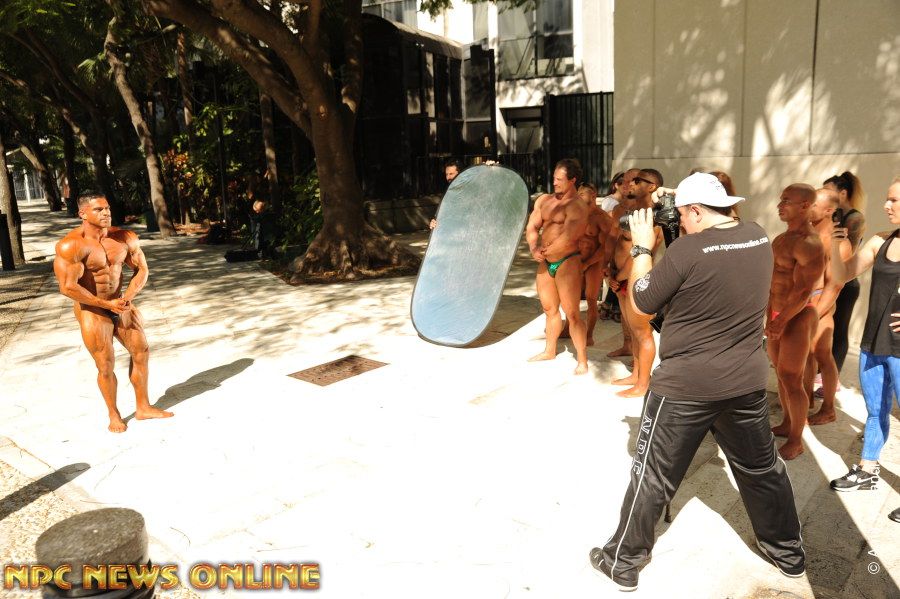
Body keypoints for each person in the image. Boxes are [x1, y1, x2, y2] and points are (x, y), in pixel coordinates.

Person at [590, 172, 805, 591]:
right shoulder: (757, 236)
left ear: (694, 211)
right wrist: (683, 206)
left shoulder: (687, 250)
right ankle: (788, 553)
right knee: (761, 470)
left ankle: (622, 562)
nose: (682, 224)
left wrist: (641, 247)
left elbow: (643, 301)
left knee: (652, 474)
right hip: (744, 382)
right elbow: (713, 239)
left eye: (684, 216)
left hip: (685, 387)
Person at [53, 194, 174, 433]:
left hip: (120, 302)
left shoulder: (124, 237)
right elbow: (68, 287)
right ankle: (114, 414)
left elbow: (142, 269)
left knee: (141, 351)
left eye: (107, 208)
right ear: (83, 214)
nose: (106, 213)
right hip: (92, 308)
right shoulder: (71, 245)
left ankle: (143, 407)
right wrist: (105, 304)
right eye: (99, 209)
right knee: (105, 364)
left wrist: (127, 298)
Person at [828, 177, 900, 527]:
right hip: (874, 342)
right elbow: (841, 274)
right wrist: (834, 244)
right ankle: (867, 470)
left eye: (894, 200)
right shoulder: (880, 241)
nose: (886, 206)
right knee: (875, 411)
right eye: (888, 198)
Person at [766, 184, 825, 460]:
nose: (780, 205)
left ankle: (796, 440)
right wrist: (769, 316)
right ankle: (788, 422)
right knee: (781, 373)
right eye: (781, 200)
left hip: (798, 316)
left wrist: (782, 321)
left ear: (804, 206)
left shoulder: (809, 243)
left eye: (786, 201)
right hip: (777, 313)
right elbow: (771, 282)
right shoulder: (781, 239)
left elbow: (803, 291)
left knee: (792, 377)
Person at [526, 159, 590, 374]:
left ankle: (582, 360)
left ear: (572, 180)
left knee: (572, 313)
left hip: (567, 261)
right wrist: (534, 248)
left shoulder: (577, 206)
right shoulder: (544, 200)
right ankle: (549, 350)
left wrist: (547, 251)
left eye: (559, 179)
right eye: (554, 178)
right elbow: (532, 226)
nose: (554, 183)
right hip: (545, 260)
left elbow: (571, 236)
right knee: (549, 309)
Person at [607, 169, 664, 397]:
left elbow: (642, 251)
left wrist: (618, 276)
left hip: (638, 280)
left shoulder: (654, 217)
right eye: (629, 180)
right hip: (620, 280)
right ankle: (636, 374)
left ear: (651, 187)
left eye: (637, 180)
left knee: (643, 333)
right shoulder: (633, 212)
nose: (630, 183)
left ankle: (643, 384)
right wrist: (611, 272)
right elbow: (618, 244)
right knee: (633, 330)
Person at [806, 188, 851, 425]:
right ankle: (805, 402)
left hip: (820, 309)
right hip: (800, 306)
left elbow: (834, 286)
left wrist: (815, 313)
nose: (807, 207)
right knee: (804, 357)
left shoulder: (839, 244)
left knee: (822, 355)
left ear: (829, 210)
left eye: (814, 204)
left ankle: (829, 408)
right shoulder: (804, 234)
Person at [822, 171, 867, 394]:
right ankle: (822, 375)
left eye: (829, 191)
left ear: (843, 193)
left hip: (847, 283)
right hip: (828, 279)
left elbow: (848, 251)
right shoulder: (835, 215)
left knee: (839, 329)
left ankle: (834, 379)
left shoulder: (855, 218)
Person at [576, 184, 615, 345]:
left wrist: (587, 263)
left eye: (582, 194)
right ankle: (567, 327)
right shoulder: (577, 214)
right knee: (571, 297)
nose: (578, 196)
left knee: (591, 298)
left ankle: (589, 335)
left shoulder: (602, 218)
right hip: (578, 260)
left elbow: (605, 247)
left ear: (593, 195)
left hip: (595, 262)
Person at [429, 159, 463, 230]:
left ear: (460, 174)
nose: (448, 177)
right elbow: (440, 215)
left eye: (451, 174)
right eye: (446, 174)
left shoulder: (469, 188)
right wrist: (434, 222)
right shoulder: (446, 193)